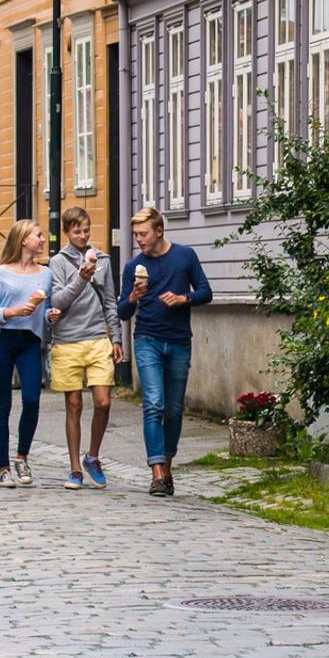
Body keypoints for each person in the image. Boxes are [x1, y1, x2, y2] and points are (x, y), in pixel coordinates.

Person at [117, 207, 213, 498]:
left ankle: (167, 464)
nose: (139, 240)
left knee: (173, 409)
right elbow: (122, 311)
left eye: (143, 234)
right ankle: (157, 472)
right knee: (154, 404)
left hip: (179, 340)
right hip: (147, 339)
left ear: (159, 231)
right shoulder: (134, 266)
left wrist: (183, 298)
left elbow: (206, 292)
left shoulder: (185, 256)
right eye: (135, 235)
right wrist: (133, 296)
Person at [45, 206, 124, 490]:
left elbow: (110, 302)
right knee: (74, 405)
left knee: (103, 401)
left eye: (86, 230)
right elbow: (58, 301)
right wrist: (82, 276)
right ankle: (75, 468)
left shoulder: (102, 258)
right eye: (77, 231)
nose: (83, 235)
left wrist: (116, 338)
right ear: (67, 232)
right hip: (67, 339)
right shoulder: (57, 262)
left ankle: (93, 456)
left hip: (97, 337)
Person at [0, 220, 50, 489]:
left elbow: (48, 308)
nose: (43, 240)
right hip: (2, 341)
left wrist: (51, 315)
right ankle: (3, 467)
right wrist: (11, 312)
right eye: (39, 235)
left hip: (29, 341)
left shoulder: (45, 274)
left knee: (32, 399)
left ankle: (22, 457)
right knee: (3, 404)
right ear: (23, 240)